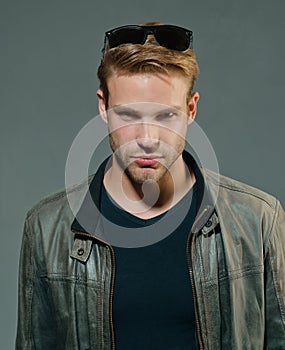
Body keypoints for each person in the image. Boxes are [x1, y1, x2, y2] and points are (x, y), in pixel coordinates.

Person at [16, 22, 285, 350]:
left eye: (165, 117)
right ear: (103, 107)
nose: (147, 139)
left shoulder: (258, 220)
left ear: (191, 109)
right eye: (128, 116)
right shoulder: (46, 229)